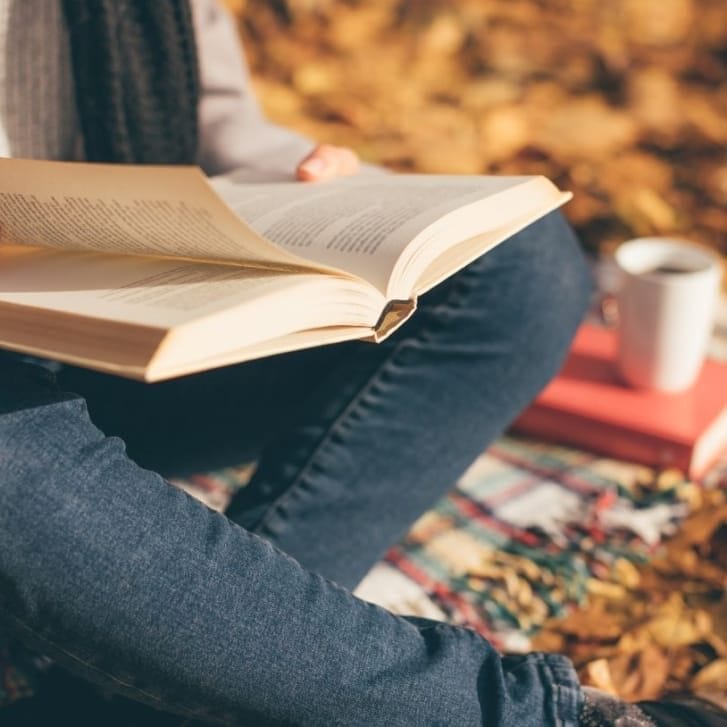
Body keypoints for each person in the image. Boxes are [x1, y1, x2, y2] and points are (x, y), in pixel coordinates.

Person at [0, 1, 724, 725]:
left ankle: (153, 682)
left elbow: (213, 113)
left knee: (516, 268)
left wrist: (300, 176)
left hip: (118, 308)